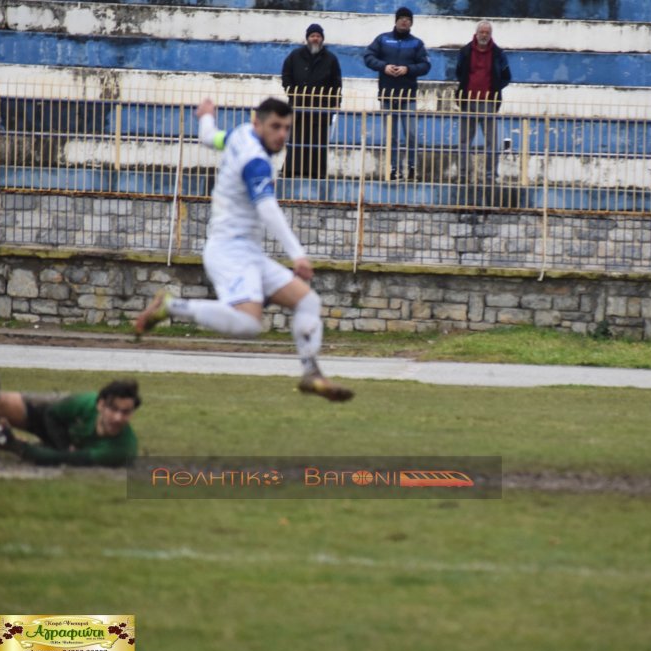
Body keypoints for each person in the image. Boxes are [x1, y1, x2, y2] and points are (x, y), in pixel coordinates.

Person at [134, 97, 354, 402]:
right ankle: (172, 306)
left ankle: (311, 373)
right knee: (249, 324)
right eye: (275, 127)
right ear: (257, 123)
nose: (281, 135)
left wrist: (206, 116)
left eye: (286, 128)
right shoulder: (256, 160)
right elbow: (266, 208)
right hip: (228, 251)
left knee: (308, 302)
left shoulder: (239, 134)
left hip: (248, 252)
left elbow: (210, 138)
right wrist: (297, 254)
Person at [0, 324, 139, 467]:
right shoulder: (83, 404)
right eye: (114, 409)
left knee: (51, 454)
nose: (119, 417)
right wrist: (62, 446)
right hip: (51, 413)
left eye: (126, 412)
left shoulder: (122, 449)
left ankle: (34, 443)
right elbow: (52, 417)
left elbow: (66, 460)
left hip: (66, 439)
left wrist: (16, 446)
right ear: (100, 405)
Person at [364, 7, 431, 181]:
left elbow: (425, 66)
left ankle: (411, 168)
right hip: (387, 95)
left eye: (407, 19)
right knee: (391, 136)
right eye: (401, 18)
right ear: (395, 20)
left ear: (411, 22)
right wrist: (384, 67)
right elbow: (368, 57)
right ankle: (393, 169)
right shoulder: (383, 39)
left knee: (411, 134)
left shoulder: (417, 43)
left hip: (407, 96)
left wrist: (407, 69)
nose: (404, 21)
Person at [281, 23, 343, 179]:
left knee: (318, 143)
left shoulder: (331, 59)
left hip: (321, 109)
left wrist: (336, 102)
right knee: (297, 141)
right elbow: (286, 75)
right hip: (299, 107)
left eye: (318, 36)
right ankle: (292, 172)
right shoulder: (295, 56)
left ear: (322, 39)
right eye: (312, 36)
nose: (315, 39)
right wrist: (292, 91)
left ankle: (316, 174)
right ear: (307, 38)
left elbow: (336, 83)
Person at [455, 20, 511, 186]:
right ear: (476, 33)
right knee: (464, 141)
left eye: (487, 32)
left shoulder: (499, 53)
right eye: (482, 32)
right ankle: (464, 176)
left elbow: (506, 76)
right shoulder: (465, 51)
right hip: (467, 101)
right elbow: (459, 72)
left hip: (488, 103)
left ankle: (490, 177)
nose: (484, 35)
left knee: (491, 143)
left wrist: (494, 89)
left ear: (491, 34)